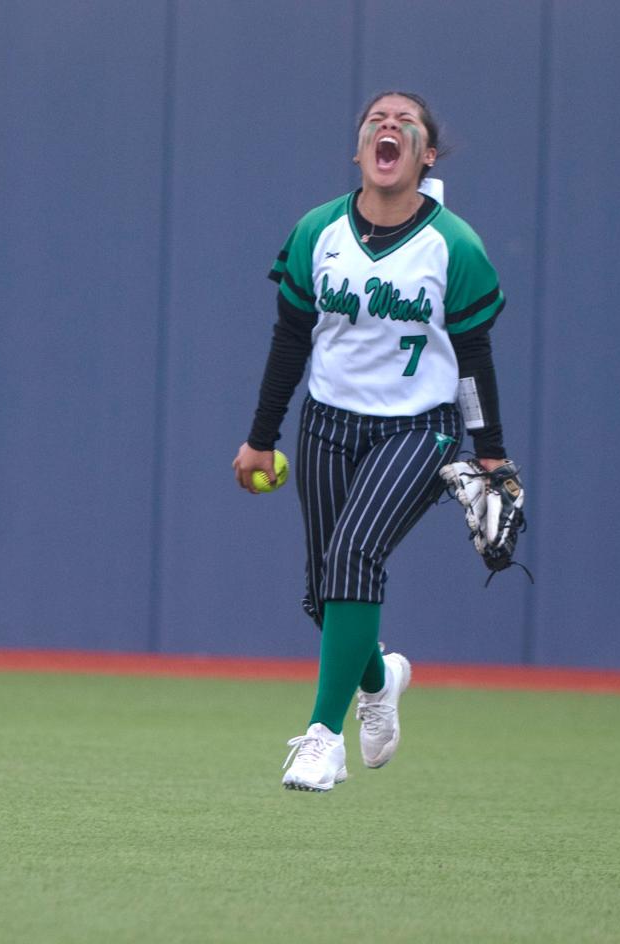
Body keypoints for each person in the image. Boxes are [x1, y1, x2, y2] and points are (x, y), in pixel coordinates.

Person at [232, 91, 516, 792]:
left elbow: (474, 357)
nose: (387, 126)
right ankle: (380, 677)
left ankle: (322, 739)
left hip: (420, 427)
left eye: (404, 122)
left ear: (426, 155)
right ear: (359, 151)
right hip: (329, 422)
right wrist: (260, 438)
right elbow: (289, 341)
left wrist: (490, 451)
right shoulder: (317, 232)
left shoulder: (454, 244)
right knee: (324, 597)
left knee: (356, 553)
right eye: (374, 122)